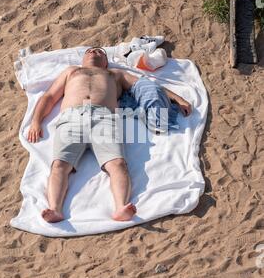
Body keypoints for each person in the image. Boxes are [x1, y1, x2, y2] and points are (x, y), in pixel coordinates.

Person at [27, 47, 192, 223]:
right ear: (83, 58)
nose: (94, 53)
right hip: (72, 117)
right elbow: (49, 96)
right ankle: (55, 209)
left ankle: (121, 207)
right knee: (59, 164)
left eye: (99, 52)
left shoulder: (115, 74)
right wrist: (36, 121)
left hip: (104, 118)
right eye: (90, 51)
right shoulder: (71, 72)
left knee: (118, 163)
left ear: (106, 61)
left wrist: (178, 99)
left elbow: (147, 86)